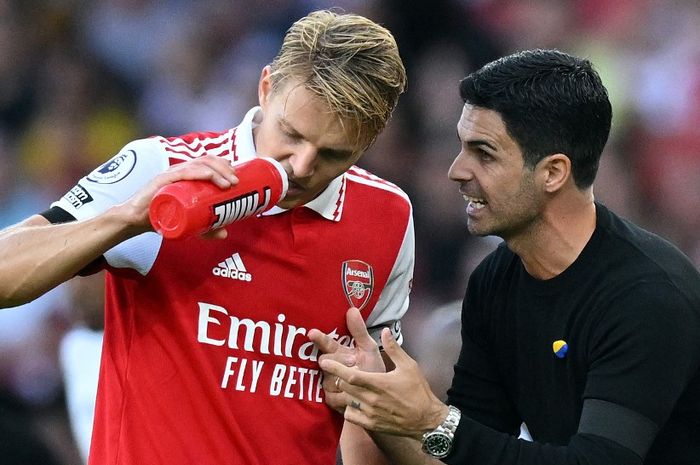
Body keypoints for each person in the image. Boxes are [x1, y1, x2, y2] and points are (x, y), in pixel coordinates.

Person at [0, 10, 413, 465]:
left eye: (334, 154)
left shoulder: (388, 217)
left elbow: (369, 412)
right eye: (290, 134)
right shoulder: (163, 169)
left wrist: (365, 394)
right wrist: (126, 219)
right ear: (265, 87)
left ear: (369, 141)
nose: (300, 166)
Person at [309, 49, 700, 465]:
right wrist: (376, 399)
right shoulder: (495, 281)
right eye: (462, 148)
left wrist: (432, 421)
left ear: (553, 172)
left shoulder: (646, 297)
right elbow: (458, 454)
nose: (456, 170)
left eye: (484, 153)